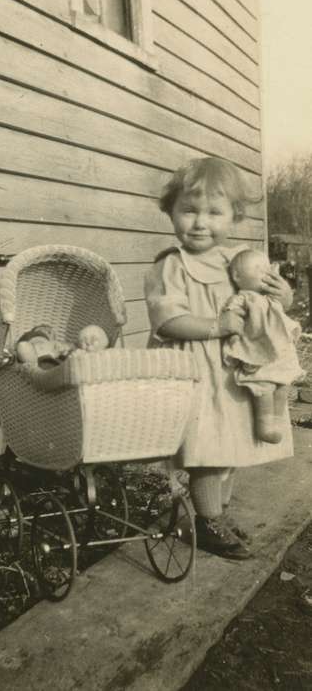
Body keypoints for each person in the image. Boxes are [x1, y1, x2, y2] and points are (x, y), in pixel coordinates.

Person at [144, 157, 294, 560]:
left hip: (233, 370)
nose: (199, 223)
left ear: (234, 217)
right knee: (208, 450)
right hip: (194, 371)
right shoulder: (170, 265)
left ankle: (217, 513)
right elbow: (169, 320)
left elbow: (266, 304)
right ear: (171, 211)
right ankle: (206, 521)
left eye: (214, 212)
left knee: (232, 445)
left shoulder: (238, 261)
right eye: (188, 210)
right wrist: (217, 325)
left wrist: (283, 296)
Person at [223, 249, 304, 444]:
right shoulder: (244, 298)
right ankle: (265, 425)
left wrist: (285, 296)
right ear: (237, 276)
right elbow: (232, 317)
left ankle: (277, 421)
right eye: (258, 268)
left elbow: (283, 309)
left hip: (279, 355)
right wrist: (234, 338)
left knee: (283, 385)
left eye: (266, 268)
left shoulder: (269, 298)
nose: (265, 273)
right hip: (258, 352)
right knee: (264, 387)